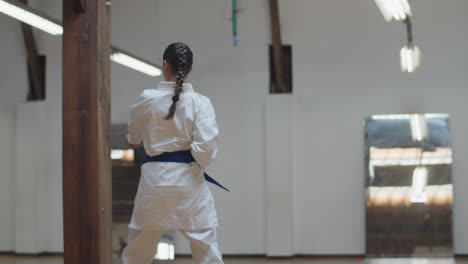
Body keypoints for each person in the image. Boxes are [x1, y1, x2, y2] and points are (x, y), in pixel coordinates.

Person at [122, 42, 224, 264]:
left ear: (164, 65)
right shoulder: (201, 103)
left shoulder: (147, 98)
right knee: (205, 248)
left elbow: (133, 139)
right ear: (190, 70)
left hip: (154, 183)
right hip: (189, 184)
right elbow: (205, 154)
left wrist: (133, 139)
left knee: (138, 251)